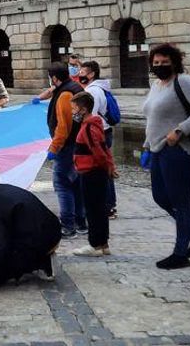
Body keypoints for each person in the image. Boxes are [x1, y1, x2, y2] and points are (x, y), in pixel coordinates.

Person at [141, 43, 190, 270]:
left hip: (180, 151)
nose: (160, 66)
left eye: (165, 62)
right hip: (157, 149)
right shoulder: (156, 85)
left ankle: (180, 252)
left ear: (174, 62)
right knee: (160, 197)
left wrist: (180, 129)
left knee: (180, 201)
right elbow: (152, 118)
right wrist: (147, 146)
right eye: (156, 62)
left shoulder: (183, 81)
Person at [0, 160, 62, 292]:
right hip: (53, 232)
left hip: (42, 240)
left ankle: (39, 261)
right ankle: (40, 259)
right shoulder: (5, 189)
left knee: (4, 266)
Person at [70, 92, 118, 257]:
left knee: (93, 209)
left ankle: (95, 245)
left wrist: (107, 166)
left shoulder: (89, 127)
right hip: (96, 171)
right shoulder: (92, 125)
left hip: (92, 171)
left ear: (83, 109)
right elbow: (104, 148)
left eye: (74, 108)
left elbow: (99, 151)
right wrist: (109, 166)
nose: (72, 111)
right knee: (99, 208)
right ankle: (103, 243)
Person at [46, 62, 87, 239]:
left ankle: (68, 226)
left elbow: (64, 125)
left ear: (55, 78)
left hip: (67, 147)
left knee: (62, 185)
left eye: (50, 77)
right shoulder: (75, 87)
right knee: (76, 185)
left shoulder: (64, 94)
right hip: (78, 144)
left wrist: (54, 147)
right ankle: (81, 223)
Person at [78, 61, 118, 219]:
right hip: (103, 131)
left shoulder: (93, 92)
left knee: (101, 170)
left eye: (82, 72)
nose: (79, 74)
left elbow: (89, 117)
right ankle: (109, 205)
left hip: (98, 134)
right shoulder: (97, 88)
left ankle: (107, 206)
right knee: (103, 170)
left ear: (91, 74)